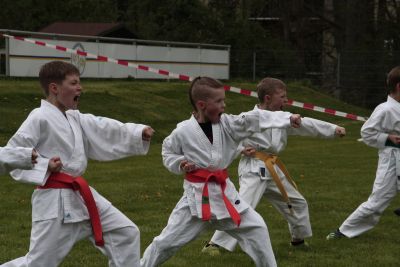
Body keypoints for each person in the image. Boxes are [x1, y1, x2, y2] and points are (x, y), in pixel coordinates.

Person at [1, 60, 154, 267]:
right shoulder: (38, 117)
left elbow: (102, 126)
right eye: (73, 83)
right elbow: (13, 153)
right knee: (39, 264)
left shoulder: (74, 118)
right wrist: (44, 165)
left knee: (125, 233)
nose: (80, 87)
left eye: (79, 82)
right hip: (54, 202)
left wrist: (136, 132)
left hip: (80, 196)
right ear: (54, 88)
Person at [140, 76, 302, 267]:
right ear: (202, 105)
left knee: (257, 228)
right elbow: (168, 151)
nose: (224, 105)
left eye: (223, 100)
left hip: (226, 196)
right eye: (218, 101)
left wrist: (285, 118)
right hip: (196, 200)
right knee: (165, 243)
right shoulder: (182, 132)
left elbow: (253, 119)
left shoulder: (227, 124)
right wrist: (180, 163)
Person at [202, 77, 346, 255]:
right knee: (243, 205)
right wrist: (240, 149)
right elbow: (227, 136)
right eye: (282, 97)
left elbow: (307, 124)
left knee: (297, 202)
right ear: (268, 98)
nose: (286, 100)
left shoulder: (283, 119)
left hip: (272, 168)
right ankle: (215, 244)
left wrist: (332, 129)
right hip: (253, 168)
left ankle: (298, 240)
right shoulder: (249, 118)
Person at [326, 66, 400, 240]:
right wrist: (388, 138)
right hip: (392, 159)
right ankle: (343, 231)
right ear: (399, 86)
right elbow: (366, 132)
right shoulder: (385, 109)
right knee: (376, 203)